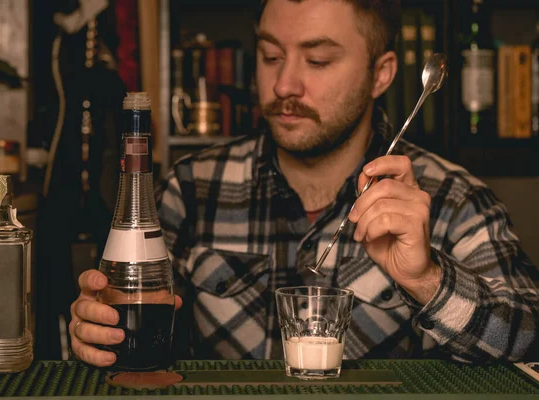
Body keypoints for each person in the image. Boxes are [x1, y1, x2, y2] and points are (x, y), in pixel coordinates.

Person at [69, 0, 539, 367]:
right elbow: (124, 332)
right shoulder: (189, 190)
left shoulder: (455, 202)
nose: (284, 84)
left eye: (316, 61)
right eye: (270, 55)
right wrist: (97, 330)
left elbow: (530, 339)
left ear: (382, 74)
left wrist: (427, 279)